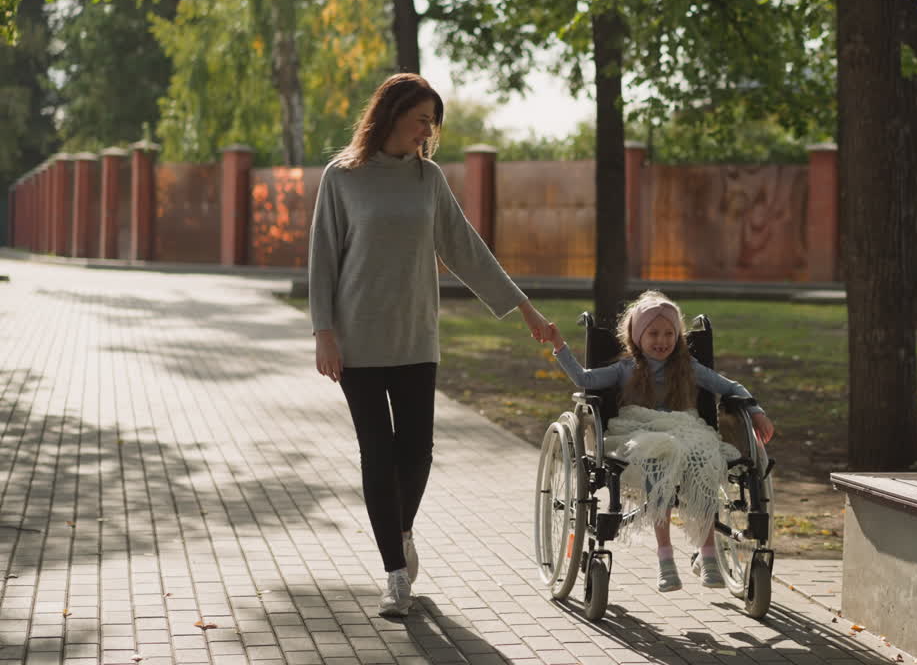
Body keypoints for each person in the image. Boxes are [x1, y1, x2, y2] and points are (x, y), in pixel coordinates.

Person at [308, 72, 551, 617]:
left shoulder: (428, 178)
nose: (426, 131)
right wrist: (324, 331)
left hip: (417, 337)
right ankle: (395, 575)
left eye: (431, 123)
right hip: (358, 341)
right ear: (392, 114)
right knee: (377, 453)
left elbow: (466, 248)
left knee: (417, 452)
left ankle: (401, 529)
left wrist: (524, 306)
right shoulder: (342, 177)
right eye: (420, 120)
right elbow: (323, 257)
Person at [544, 291, 775, 592]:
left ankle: (708, 554)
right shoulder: (625, 368)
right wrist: (558, 345)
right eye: (653, 333)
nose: (662, 341)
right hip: (638, 430)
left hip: (684, 428)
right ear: (637, 336)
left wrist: (756, 412)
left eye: (669, 333)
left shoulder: (688, 367)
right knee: (660, 452)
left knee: (704, 456)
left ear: (678, 336)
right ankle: (665, 556)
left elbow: (730, 386)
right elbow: (584, 379)